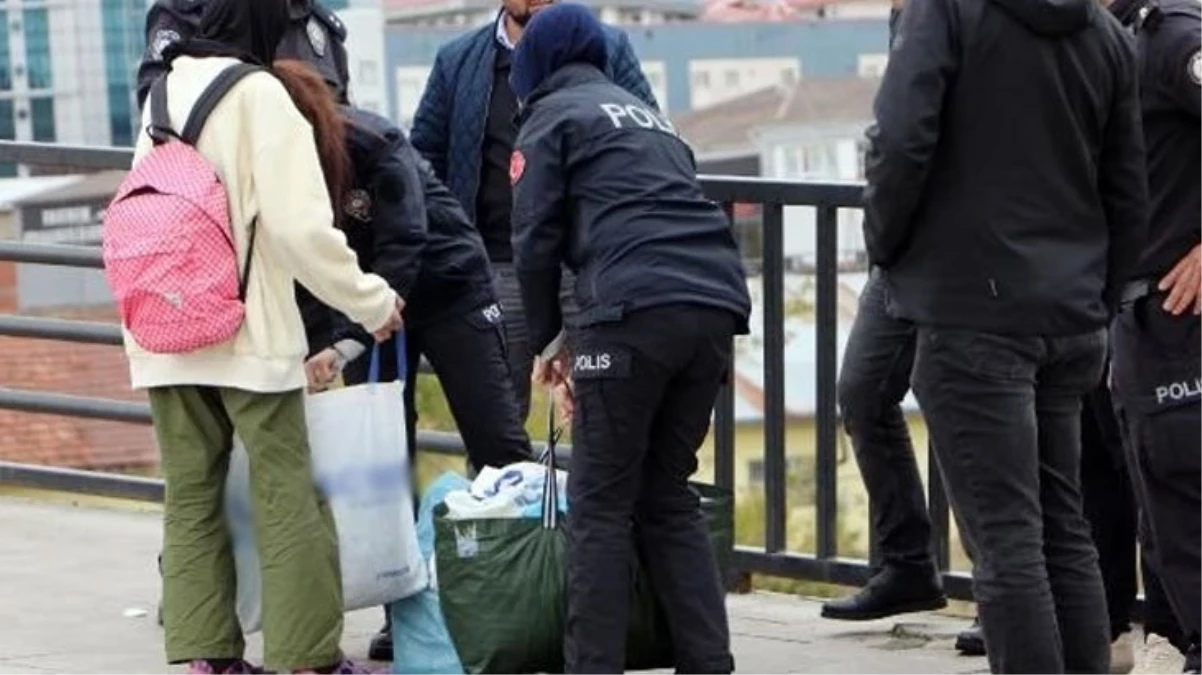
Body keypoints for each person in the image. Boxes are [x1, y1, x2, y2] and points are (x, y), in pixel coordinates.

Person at [864, 0, 1148, 669]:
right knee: (1063, 529)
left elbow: (901, 142)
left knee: (1006, 541)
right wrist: (1096, 296)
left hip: (971, 309)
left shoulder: (945, 12)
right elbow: (1129, 187)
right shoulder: (1104, 31)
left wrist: (887, 247)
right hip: (1070, 313)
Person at [129, 1, 402, 674]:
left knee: (192, 491)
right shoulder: (262, 97)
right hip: (246, 331)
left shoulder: (161, 91)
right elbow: (300, 230)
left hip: (165, 327)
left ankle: (208, 655)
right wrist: (370, 301)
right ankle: (307, 658)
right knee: (288, 490)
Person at [508, 5, 751, 674]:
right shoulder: (650, 118)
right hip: (713, 308)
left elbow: (533, 244)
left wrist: (550, 341)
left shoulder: (550, 118)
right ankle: (709, 660)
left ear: (535, 68)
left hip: (630, 312)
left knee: (600, 504)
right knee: (668, 493)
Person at [273, 59, 534, 474]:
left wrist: (355, 332)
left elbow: (405, 239)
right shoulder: (273, 168)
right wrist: (323, 342)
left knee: (495, 438)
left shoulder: (372, 141)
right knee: (384, 450)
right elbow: (301, 259)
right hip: (363, 301)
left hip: (448, 284)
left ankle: (519, 536)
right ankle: (393, 539)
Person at [408, 0, 657, 428]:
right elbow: (424, 159)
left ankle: (596, 496)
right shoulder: (459, 60)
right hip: (495, 266)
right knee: (497, 420)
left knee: (602, 414)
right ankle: (499, 494)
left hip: (589, 268)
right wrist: (454, 248)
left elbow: (647, 131)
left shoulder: (607, 46)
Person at [821, 0, 946, 624]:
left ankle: (1001, 593)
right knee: (863, 392)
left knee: (967, 411)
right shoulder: (907, 16)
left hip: (959, 249)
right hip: (899, 251)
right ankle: (908, 566)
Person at [1105, 0, 1202, 671]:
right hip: (1135, 315)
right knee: (1160, 509)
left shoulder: (1173, 37)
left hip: (1180, 318)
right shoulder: (1109, 40)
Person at [136, 0, 350, 109]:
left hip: (311, 181)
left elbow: (345, 119)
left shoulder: (321, 28)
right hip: (224, 184)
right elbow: (156, 104)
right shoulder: (187, 12)